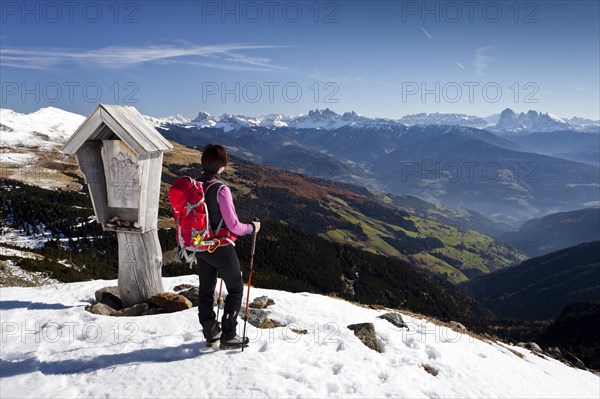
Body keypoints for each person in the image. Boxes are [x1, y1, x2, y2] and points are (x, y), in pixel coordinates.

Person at [196, 144, 260, 349]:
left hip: (199, 245)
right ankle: (229, 334)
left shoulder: (194, 185)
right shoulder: (220, 189)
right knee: (235, 289)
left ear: (203, 163)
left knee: (206, 290)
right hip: (220, 247)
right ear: (222, 166)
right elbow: (234, 225)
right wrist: (252, 228)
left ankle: (211, 332)